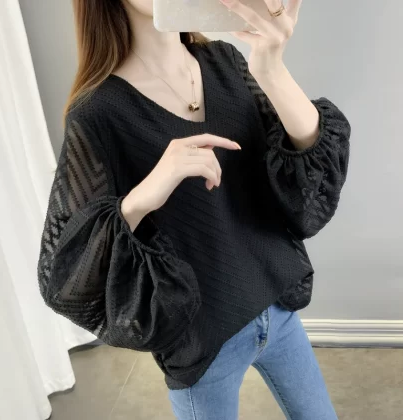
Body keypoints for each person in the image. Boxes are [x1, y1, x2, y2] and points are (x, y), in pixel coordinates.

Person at [37, 0, 351, 418]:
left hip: (277, 307)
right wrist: (143, 196)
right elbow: (65, 269)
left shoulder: (225, 62)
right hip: (205, 345)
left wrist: (272, 69)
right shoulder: (97, 113)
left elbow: (309, 175)